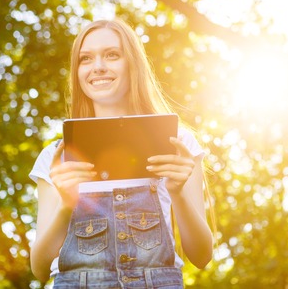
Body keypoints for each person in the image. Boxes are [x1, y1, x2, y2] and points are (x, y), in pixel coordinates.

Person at [29, 18, 214, 288]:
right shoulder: (56, 156)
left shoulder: (177, 144)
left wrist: (177, 192)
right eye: (86, 59)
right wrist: (67, 204)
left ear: (133, 64)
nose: (98, 67)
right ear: (77, 71)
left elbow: (201, 255)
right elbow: (39, 268)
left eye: (112, 55)